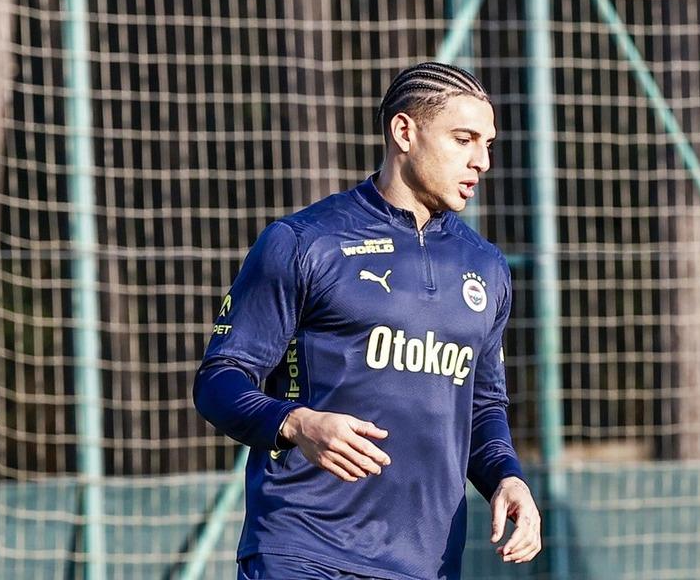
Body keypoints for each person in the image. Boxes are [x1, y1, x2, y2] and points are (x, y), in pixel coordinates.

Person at [193, 61, 541, 580]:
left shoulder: (486, 266)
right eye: (464, 139)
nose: (482, 161)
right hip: (304, 551)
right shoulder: (304, 242)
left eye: (487, 144)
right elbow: (219, 381)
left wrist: (507, 478)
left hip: (426, 563)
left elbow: (482, 407)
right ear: (404, 132)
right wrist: (295, 423)